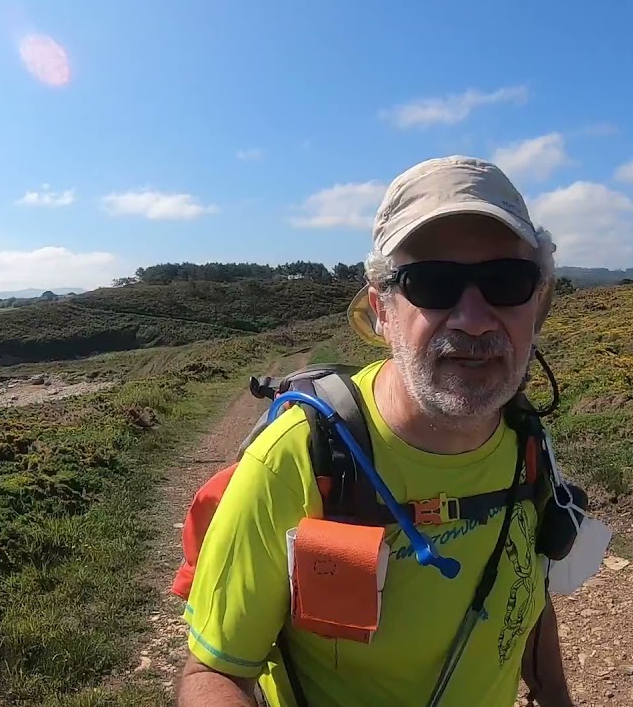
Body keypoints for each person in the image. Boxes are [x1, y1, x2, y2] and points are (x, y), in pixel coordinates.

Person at [177, 155, 574, 706]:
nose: (474, 319)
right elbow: (213, 674)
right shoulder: (297, 458)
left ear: (540, 301)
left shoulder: (526, 440)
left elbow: (521, 594)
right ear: (380, 308)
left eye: (507, 281)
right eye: (432, 283)